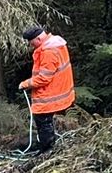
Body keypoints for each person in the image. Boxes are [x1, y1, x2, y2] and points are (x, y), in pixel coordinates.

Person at [18, 26, 75, 154]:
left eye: (32, 43)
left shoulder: (48, 52)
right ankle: (46, 145)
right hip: (59, 89)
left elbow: (44, 78)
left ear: (38, 38)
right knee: (45, 121)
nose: (31, 46)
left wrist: (26, 84)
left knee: (42, 120)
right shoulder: (57, 44)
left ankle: (47, 149)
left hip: (50, 94)